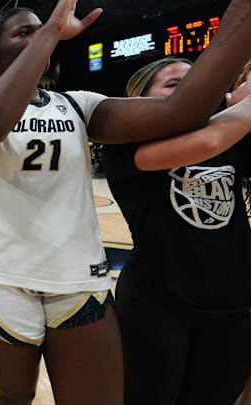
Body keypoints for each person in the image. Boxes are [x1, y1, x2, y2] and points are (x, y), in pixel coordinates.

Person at [0, 0, 251, 403]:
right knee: (13, 397)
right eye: (23, 33)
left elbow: (183, 110)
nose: (39, 35)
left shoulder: (81, 105)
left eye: (39, 30)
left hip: (79, 277)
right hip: (4, 277)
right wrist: (50, 32)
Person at [101, 57, 251, 405]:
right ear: (142, 102)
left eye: (198, 83)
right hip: (158, 306)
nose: (192, 93)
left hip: (231, 309)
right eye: (174, 86)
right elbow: (208, 141)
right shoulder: (125, 146)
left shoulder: (231, 138)